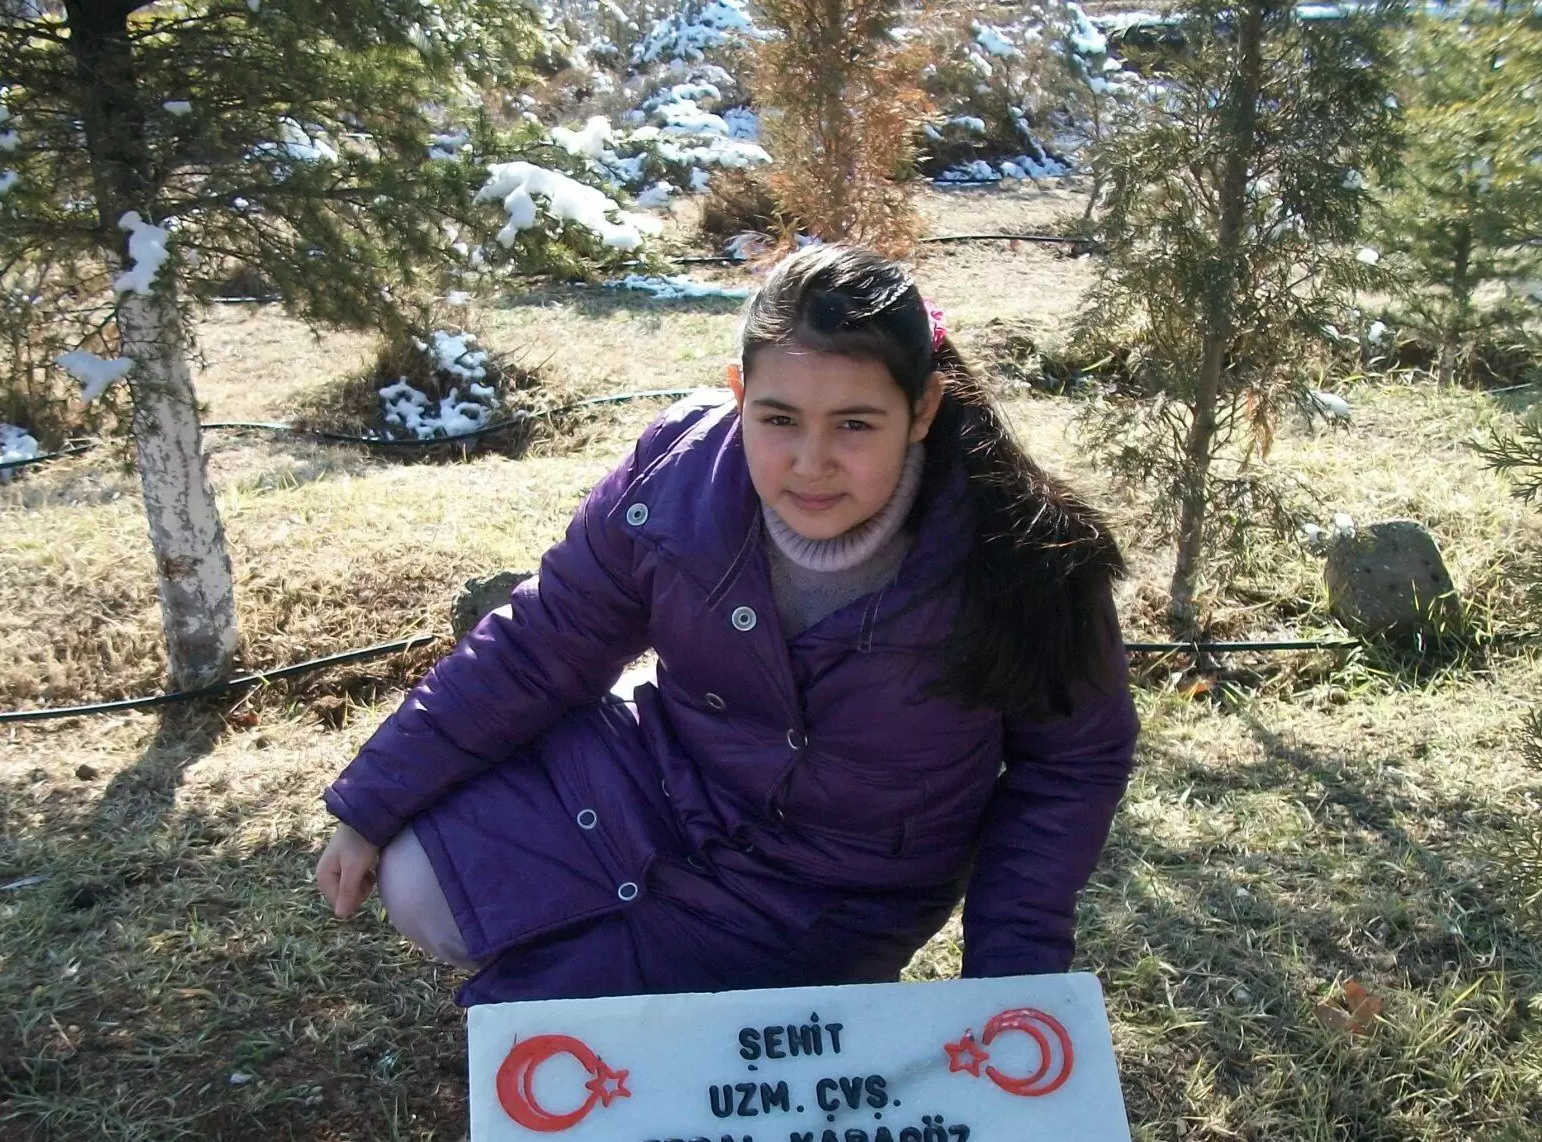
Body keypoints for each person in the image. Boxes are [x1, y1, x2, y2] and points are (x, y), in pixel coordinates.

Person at [315, 244, 1138, 1006]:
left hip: (834, 892)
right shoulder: (674, 473)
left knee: (647, 1057)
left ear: (922, 409)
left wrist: (1009, 981)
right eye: (778, 420)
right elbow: (543, 640)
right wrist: (375, 802)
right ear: (739, 394)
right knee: (419, 877)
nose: (811, 463)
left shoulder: (1027, 554)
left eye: (855, 425)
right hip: (663, 787)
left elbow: (1070, 766)